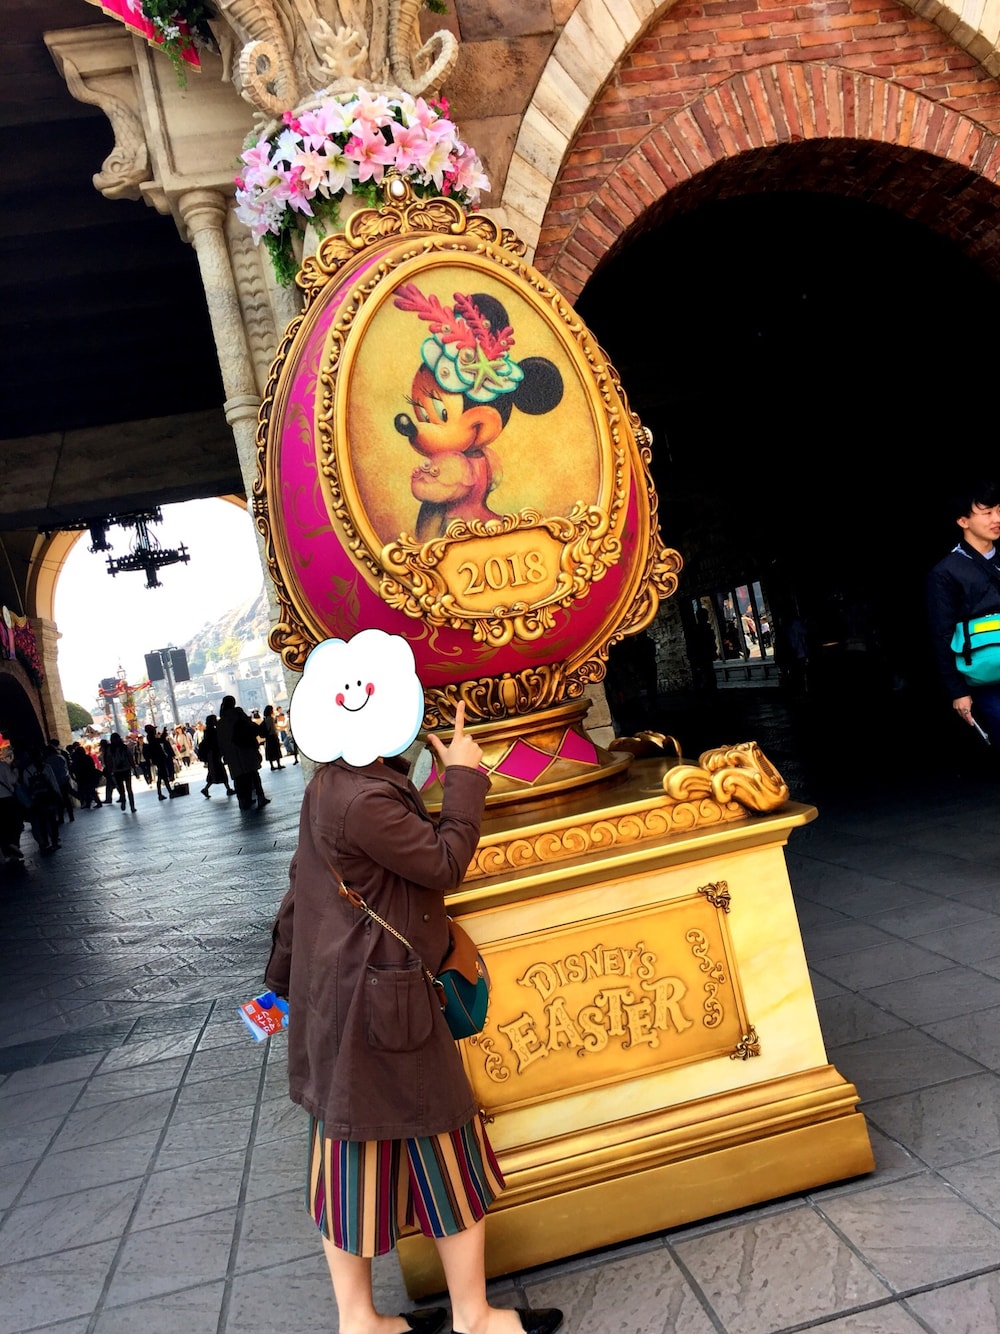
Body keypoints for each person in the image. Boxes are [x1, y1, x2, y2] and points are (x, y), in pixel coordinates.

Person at [265, 699, 562, 1334]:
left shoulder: (328, 786)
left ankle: (359, 1321)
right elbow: (443, 862)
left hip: (340, 1007)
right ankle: (474, 1319)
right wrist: (465, 776)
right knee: (446, 1150)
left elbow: (298, 892)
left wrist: (284, 986)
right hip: (385, 1007)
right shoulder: (365, 799)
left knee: (348, 1161)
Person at [927, 481, 1000, 746]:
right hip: (986, 677)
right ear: (963, 521)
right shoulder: (945, 572)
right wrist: (957, 691)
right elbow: (942, 634)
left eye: (999, 511)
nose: (997, 519)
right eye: (987, 513)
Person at [217, 696, 269, 809]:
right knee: (253, 774)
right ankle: (260, 796)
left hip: (231, 754)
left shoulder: (220, 723)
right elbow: (250, 726)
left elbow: (220, 742)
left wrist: (224, 754)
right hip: (246, 749)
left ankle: (243, 800)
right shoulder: (238, 714)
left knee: (239, 778)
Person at [197, 714, 233, 798]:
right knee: (220, 772)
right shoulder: (213, 731)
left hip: (212, 755)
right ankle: (228, 789)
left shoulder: (207, 731)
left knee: (214, 773)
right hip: (214, 754)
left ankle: (206, 789)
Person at [143, 724, 175, 800]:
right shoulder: (151, 738)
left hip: (158, 759)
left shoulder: (150, 738)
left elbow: (161, 740)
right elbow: (161, 740)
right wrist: (164, 733)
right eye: (154, 729)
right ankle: (167, 793)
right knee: (163, 776)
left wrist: (163, 733)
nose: (155, 731)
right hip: (159, 759)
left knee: (161, 777)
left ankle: (163, 793)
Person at [107, 733, 136, 812]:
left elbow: (109, 761)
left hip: (117, 771)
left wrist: (110, 770)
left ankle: (123, 801)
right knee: (129, 788)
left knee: (121, 789)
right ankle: (132, 806)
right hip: (126, 769)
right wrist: (134, 768)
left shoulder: (110, 749)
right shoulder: (124, 747)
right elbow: (130, 758)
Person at [262, 704, 284, 770]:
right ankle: (278, 764)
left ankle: (272, 766)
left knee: (270, 751)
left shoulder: (265, 719)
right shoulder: (271, 719)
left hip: (268, 737)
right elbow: (272, 728)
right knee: (276, 750)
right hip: (272, 736)